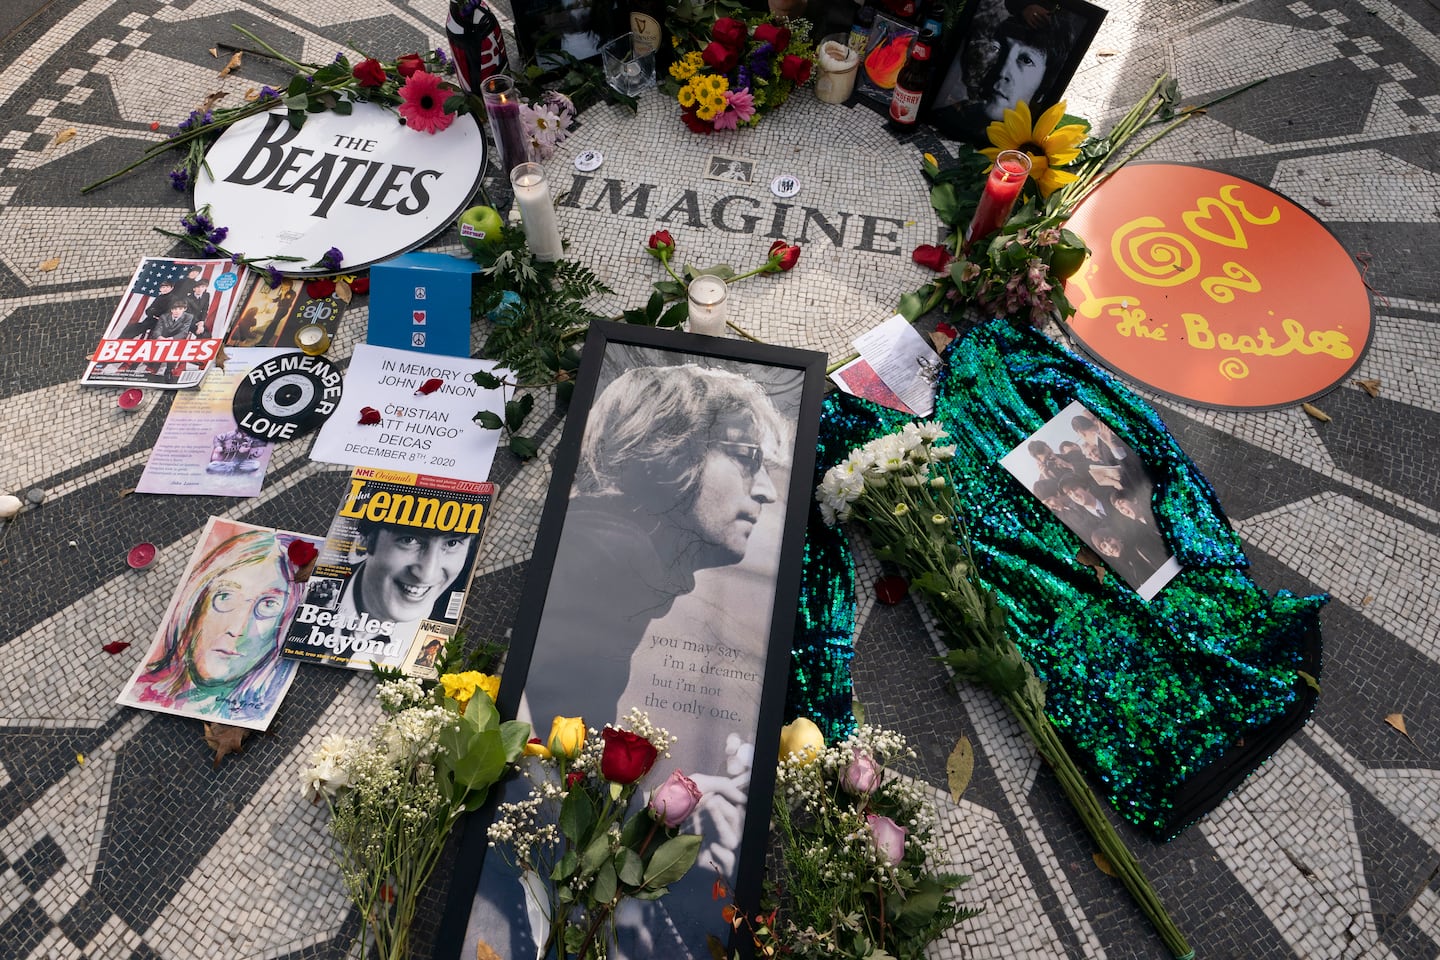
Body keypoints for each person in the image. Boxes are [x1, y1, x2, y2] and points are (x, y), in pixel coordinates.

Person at [474, 361, 790, 960]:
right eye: (747, 456)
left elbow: (567, 751)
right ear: (671, 448)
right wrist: (665, 824)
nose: (767, 489)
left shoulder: (615, 554)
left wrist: (673, 801)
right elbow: (541, 786)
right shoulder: (603, 561)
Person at [126, 527, 306, 724]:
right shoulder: (144, 690)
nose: (237, 629)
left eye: (269, 604)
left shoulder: (255, 711)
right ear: (195, 604)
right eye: (225, 596)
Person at [328, 519, 478, 662]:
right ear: (366, 540)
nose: (427, 575)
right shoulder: (317, 587)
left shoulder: (462, 631)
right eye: (409, 540)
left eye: (452, 543)